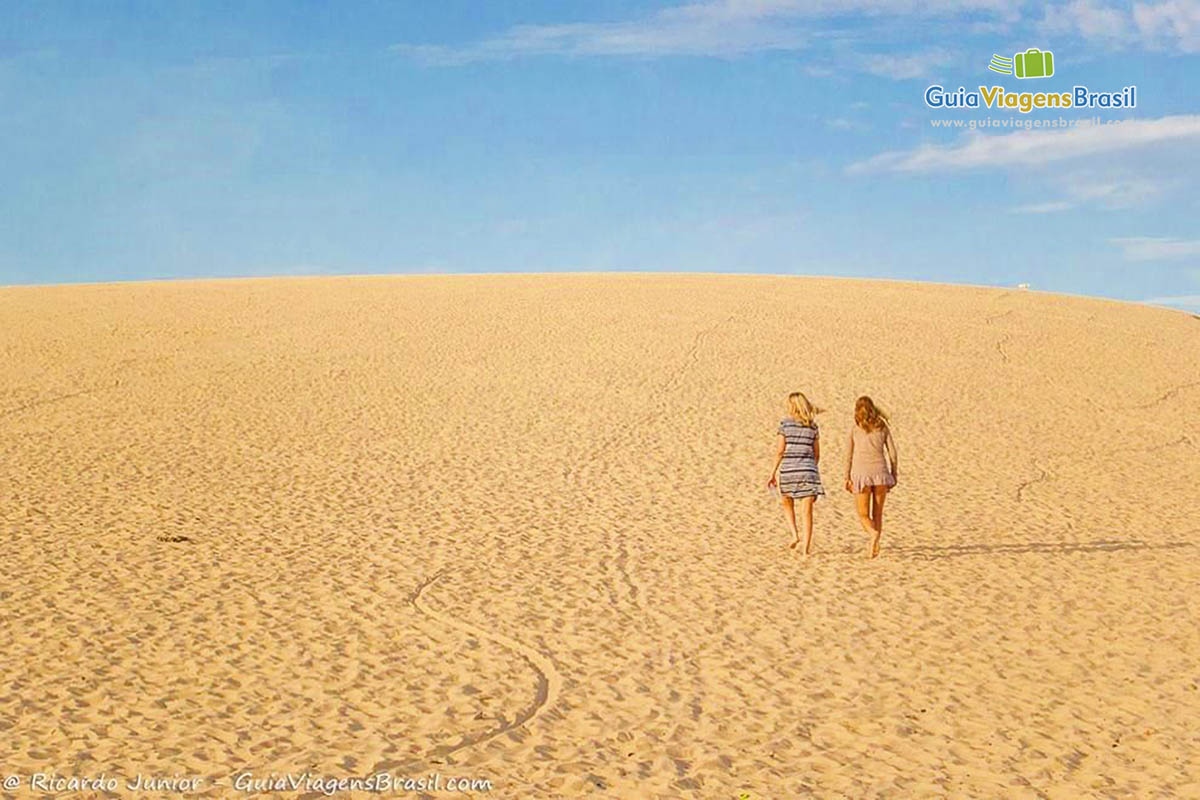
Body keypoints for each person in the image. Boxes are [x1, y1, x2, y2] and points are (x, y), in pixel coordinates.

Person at [767, 392, 825, 554]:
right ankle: (806, 549)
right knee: (807, 512)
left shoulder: (785, 425)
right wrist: (811, 467)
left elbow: (780, 451)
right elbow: (817, 453)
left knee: (786, 501)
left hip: (789, 470)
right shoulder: (812, 426)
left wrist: (772, 472)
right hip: (808, 470)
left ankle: (794, 534)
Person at [844, 396, 898, 559]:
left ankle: (872, 534)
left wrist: (846, 476)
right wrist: (893, 473)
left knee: (863, 514)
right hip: (880, 473)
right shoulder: (882, 427)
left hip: (861, 474)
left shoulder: (855, 429)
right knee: (878, 513)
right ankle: (875, 548)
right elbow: (893, 453)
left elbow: (848, 455)